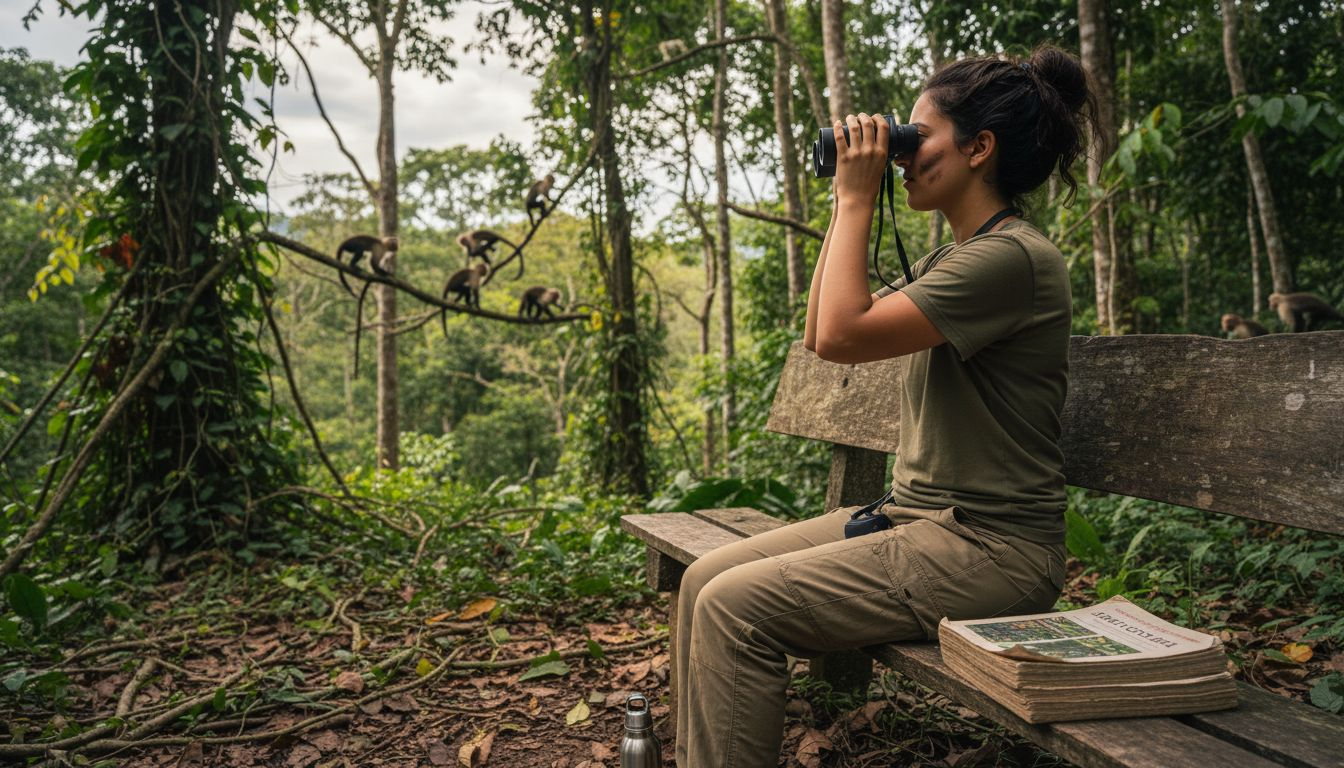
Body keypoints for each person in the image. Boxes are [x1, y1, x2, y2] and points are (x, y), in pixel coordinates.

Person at [673, 43, 1103, 767]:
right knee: (701, 581)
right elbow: (822, 333)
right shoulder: (961, 255)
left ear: (980, 148)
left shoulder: (1013, 259)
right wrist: (851, 199)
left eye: (915, 137)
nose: (899, 155)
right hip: (922, 521)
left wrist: (856, 196)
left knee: (734, 607)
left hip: (991, 548)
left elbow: (840, 334)